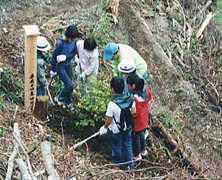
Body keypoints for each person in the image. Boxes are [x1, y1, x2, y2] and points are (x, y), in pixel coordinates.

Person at [99, 76, 134, 170]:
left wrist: (104, 128)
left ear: (112, 89)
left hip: (115, 130)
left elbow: (109, 119)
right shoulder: (130, 98)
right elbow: (133, 112)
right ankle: (129, 165)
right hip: (128, 128)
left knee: (116, 147)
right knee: (127, 145)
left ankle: (117, 165)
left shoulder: (112, 104)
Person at [50, 24, 79, 110]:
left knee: (71, 85)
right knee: (68, 84)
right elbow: (54, 56)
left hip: (68, 64)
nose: (72, 40)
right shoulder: (61, 43)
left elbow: (74, 53)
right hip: (61, 67)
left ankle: (68, 101)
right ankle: (59, 98)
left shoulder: (74, 42)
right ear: (68, 36)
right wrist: (54, 69)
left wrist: (66, 57)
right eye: (72, 38)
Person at [127, 73, 152, 160]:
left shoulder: (134, 98)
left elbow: (134, 113)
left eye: (129, 85)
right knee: (142, 133)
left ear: (133, 85)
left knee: (135, 137)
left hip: (138, 121)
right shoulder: (145, 89)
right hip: (145, 118)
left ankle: (136, 155)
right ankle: (143, 150)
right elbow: (150, 97)